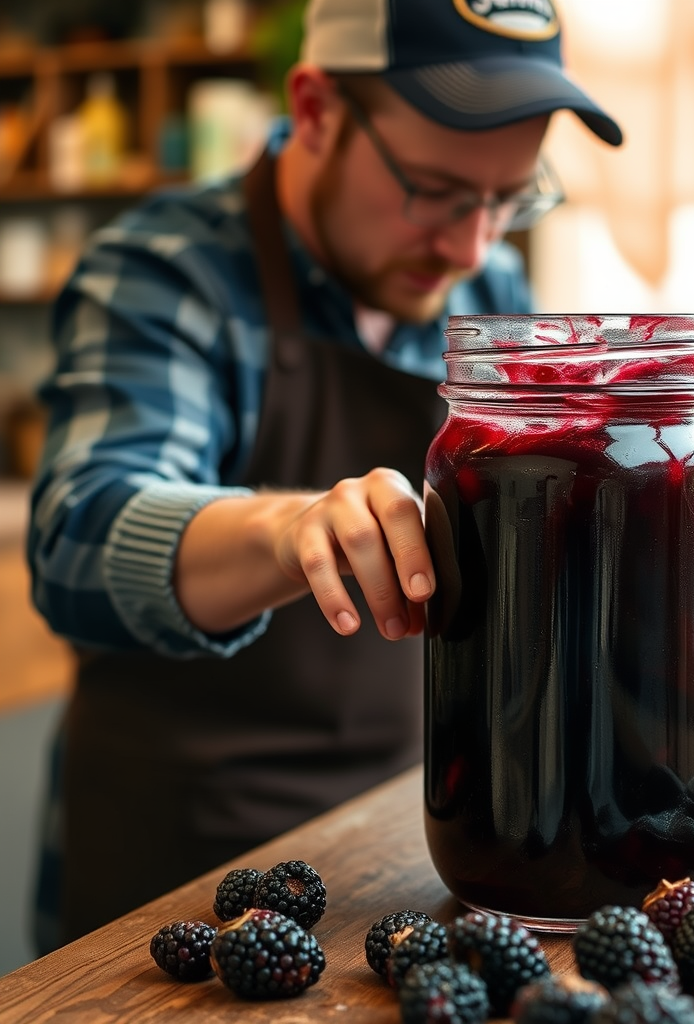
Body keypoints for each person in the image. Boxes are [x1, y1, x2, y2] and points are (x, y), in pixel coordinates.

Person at [26, 0, 622, 949]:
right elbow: (81, 537)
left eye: (507, 199)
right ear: (314, 109)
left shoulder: (489, 296)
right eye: (432, 190)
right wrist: (288, 527)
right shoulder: (169, 272)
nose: (470, 247)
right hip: (185, 878)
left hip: (413, 846)